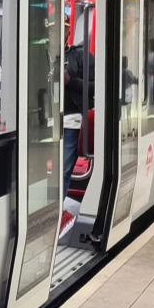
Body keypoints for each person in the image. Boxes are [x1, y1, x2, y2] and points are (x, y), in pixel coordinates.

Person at [63, 33, 95, 196]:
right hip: (44, 124)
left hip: (71, 122)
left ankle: (55, 213)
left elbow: (97, 86)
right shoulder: (40, 55)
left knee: (63, 171)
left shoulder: (81, 56)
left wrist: (71, 81)